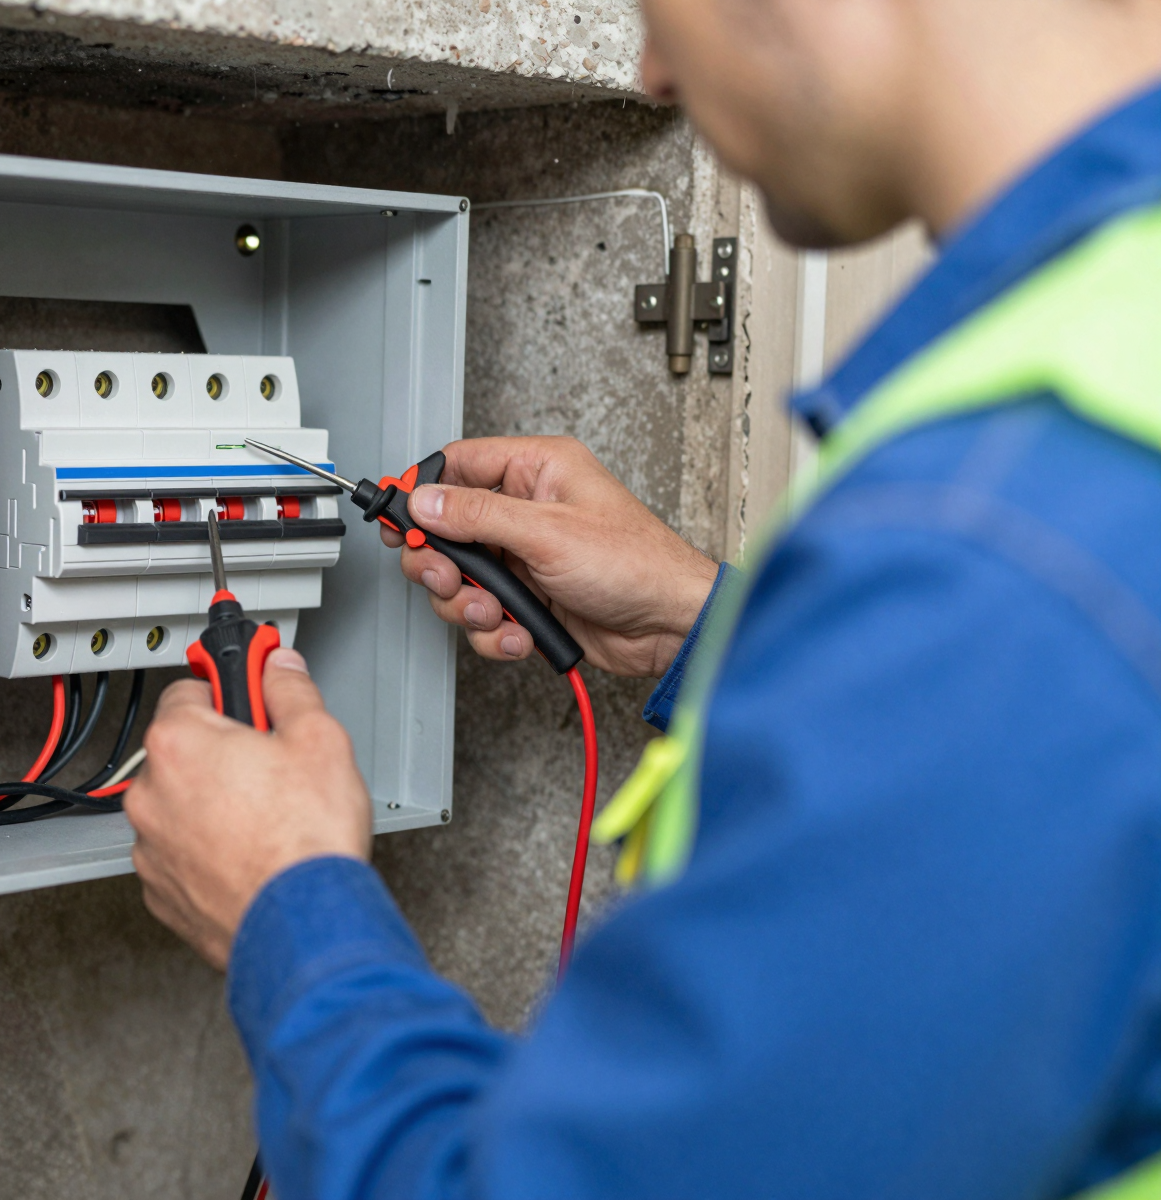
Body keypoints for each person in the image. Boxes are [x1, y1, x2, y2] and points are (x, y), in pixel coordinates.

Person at [123, 0, 1161, 1195]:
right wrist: (703, 623)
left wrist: (283, 910)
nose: (656, 73)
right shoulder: (1082, 429)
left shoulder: (992, 553)